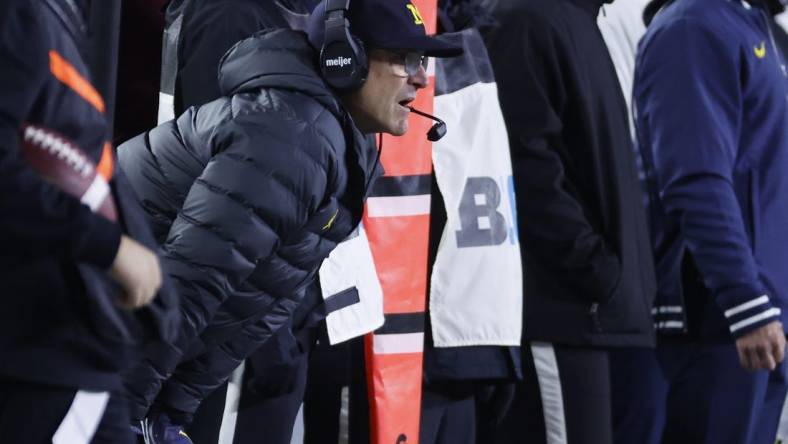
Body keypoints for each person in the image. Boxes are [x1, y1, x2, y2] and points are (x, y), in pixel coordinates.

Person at [117, 0, 462, 442]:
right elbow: (190, 287)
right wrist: (123, 410)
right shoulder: (289, 137)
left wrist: (168, 412)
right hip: (67, 302)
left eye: (422, 62)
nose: (420, 78)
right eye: (404, 59)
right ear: (346, 59)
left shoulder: (334, 144)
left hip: (116, 328)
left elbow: (258, 307)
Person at [0, 0, 178, 443]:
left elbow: (82, 158)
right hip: (44, 352)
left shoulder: (54, 13)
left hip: (72, 345)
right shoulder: (18, 15)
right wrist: (109, 246)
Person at [482, 0, 658, 442]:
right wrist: (596, 270)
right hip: (561, 312)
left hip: (602, 314)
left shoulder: (577, 22)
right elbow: (527, 172)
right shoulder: (528, 20)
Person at [615, 0, 788, 443]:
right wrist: (743, 300)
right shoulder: (695, 26)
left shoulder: (757, 24)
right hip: (719, 315)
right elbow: (695, 178)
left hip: (761, 310)